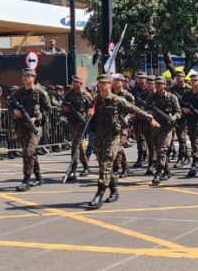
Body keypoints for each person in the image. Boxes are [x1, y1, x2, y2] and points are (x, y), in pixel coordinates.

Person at [85, 74, 159, 209]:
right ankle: (114, 191)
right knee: (104, 166)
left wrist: (149, 118)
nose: (101, 85)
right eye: (99, 83)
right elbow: (91, 116)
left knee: (106, 164)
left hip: (112, 138)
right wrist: (89, 112)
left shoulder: (116, 100)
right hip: (99, 137)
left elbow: (134, 110)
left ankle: (99, 195)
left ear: (110, 84)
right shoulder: (96, 100)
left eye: (104, 83)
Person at [10, 68, 51, 191]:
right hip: (22, 127)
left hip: (35, 128)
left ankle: (26, 180)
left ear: (33, 77)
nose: (24, 78)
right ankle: (38, 177)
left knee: (28, 152)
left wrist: (36, 118)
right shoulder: (18, 93)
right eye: (23, 76)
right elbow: (10, 105)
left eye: (28, 76)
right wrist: (14, 111)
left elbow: (48, 109)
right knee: (30, 153)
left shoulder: (40, 92)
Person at [147, 76, 182, 186]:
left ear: (164, 85)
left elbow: (178, 112)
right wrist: (150, 114)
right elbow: (147, 109)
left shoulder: (172, 98)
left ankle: (159, 172)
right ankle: (166, 170)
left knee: (162, 149)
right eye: (156, 84)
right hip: (156, 126)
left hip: (167, 127)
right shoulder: (152, 97)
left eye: (160, 84)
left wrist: (173, 118)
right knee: (157, 149)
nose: (157, 86)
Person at [61, 75, 93, 181]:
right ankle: (86, 167)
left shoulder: (86, 95)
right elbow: (63, 107)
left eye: (76, 82)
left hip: (82, 124)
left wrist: (89, 117)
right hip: (72, 122)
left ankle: (73, 169)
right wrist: (65, 109)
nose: (73, 83)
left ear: (81, 84)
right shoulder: (68, 94)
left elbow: (92, 108)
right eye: (73, 81)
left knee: (75, 145)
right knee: (78, 146)